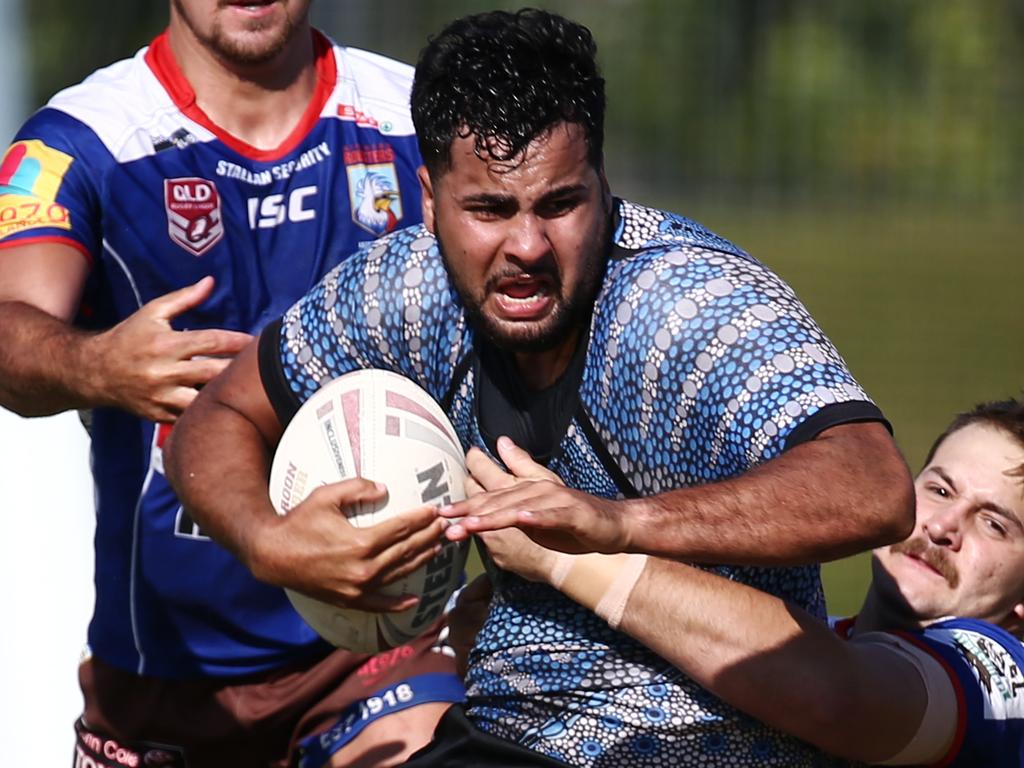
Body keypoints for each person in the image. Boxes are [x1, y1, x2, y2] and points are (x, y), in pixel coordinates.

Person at [164, 8, 914, 767]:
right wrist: (267, 541)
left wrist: (620, 524)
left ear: (602, 181)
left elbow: (872, 486)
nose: (527, 246)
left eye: (560, 204)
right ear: (429, 199)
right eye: (489, 209)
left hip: (711, 739)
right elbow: (220, 413)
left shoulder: (684, 308)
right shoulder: (403, 292)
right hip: (500, 731)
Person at [0, 1, 462, 766]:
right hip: (165, 678)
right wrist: (97, 366)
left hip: (378, 647)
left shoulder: (415, 118)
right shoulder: (81, 140)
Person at [470, 398, 1024, 766]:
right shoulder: (824, 633)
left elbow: (837, 698)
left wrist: (568, 561)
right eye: (941, 490)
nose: (944, 527)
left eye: (994, 524)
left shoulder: (1002, 681)